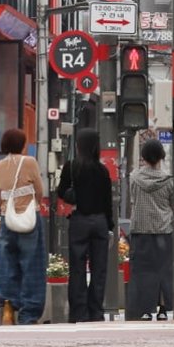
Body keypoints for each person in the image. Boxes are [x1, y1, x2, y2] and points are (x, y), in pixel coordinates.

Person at [57, 127, 114, 322]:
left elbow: (61, 191)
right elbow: (108, 201)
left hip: (79, 220)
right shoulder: (102, 170)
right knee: (99, 269)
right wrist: (109, 225)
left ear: (78, 145)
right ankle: (96, 311)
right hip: (99, 221)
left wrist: (73, 196)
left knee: (77, 268)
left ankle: (79, 312)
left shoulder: (71, 167)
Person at [0, 127, 47, 325]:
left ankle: (7, 307)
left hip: (7, 221)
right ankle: (29, 314)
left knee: (7, 265)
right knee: (32, 265)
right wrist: (30, 203)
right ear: (22, 145)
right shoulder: (29, 162)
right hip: (29, 220)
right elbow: (39, 191)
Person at [127, 138, 174, 322]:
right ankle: (162, 309)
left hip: (140, 230)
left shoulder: (134, 178)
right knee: (163, 271)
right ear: (161, 156)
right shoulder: (169, 181)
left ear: (143, 157)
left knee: (142, 272)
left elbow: (132, 199)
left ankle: (145, 310)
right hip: (164, 231)